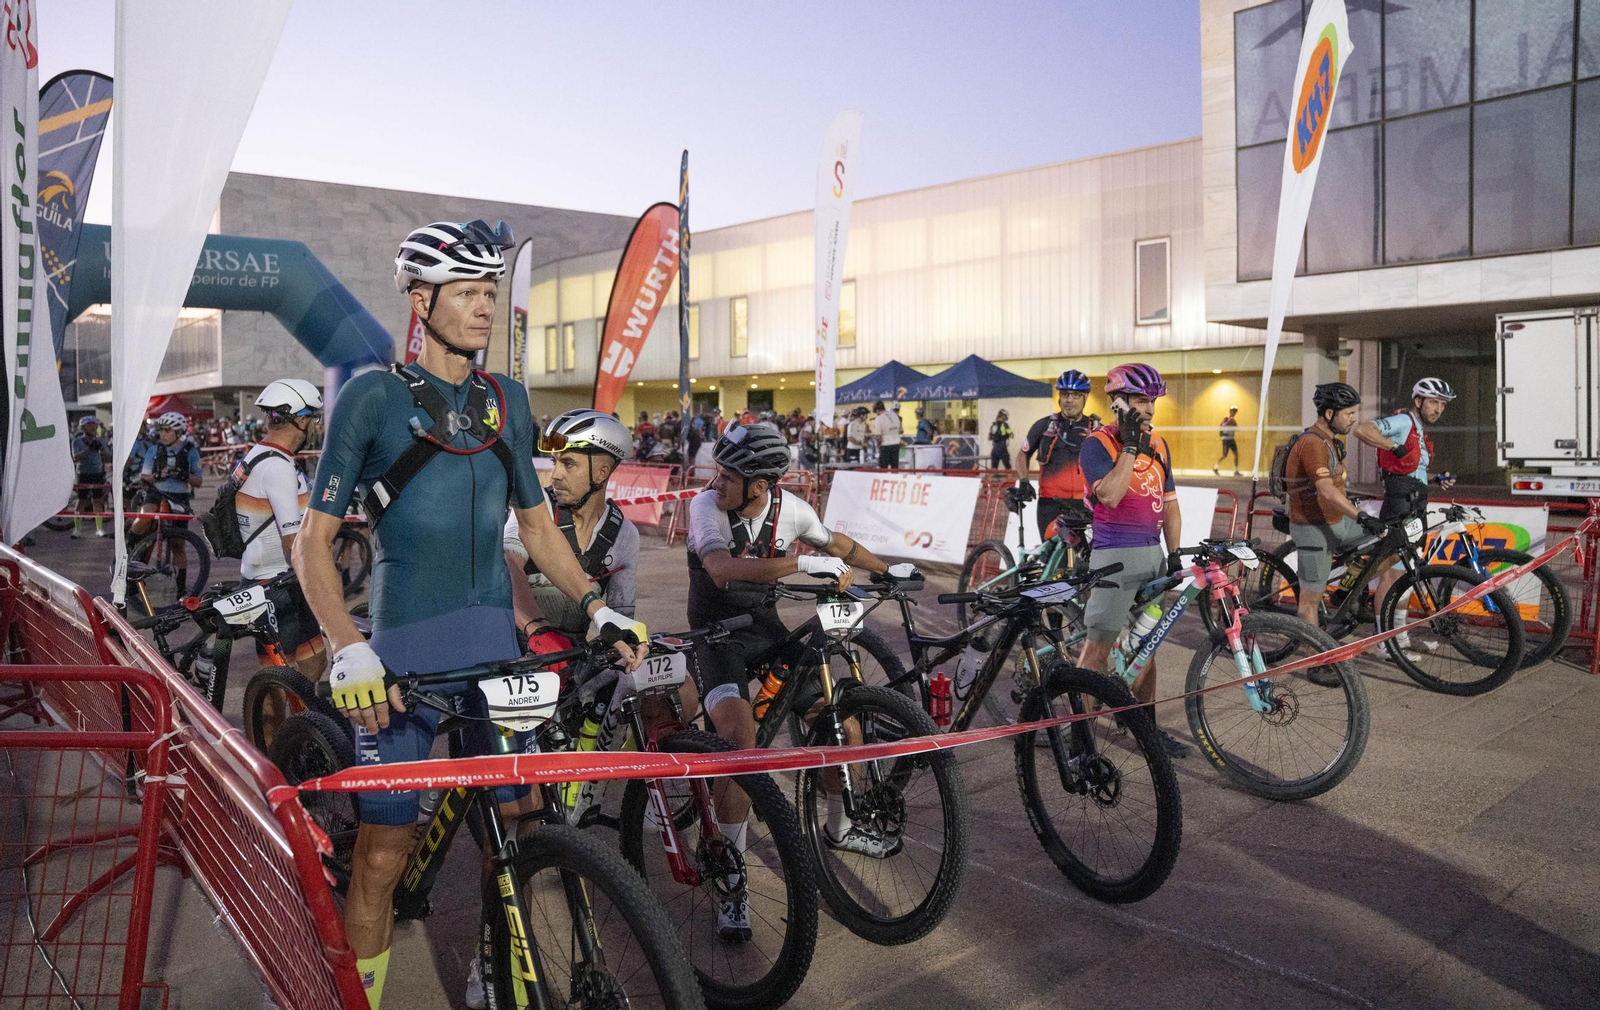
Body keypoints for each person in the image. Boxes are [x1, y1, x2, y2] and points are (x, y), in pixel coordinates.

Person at [294, 219, 645, 1010]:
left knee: (519, 827)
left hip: (495, 658)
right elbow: (312, 543)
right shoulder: (372, 398)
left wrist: (597, 610)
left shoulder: (507, 401)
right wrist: (347, 646)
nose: (486, 306)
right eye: (468, 292)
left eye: (492, 291)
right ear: (421, 301)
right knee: (382, 855)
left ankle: (495, 961)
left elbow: (538, 529)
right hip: (399, 665)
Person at [686, 423, 916, 937]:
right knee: (740, 742)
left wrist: (886, 571)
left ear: (760, 486)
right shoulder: (705, 508)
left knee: (842, 724)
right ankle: (732, 876)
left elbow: (839, 544)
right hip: (716, 636)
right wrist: (803, 562)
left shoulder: (790, 509)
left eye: (728, 476)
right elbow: (720, 569)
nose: (716, 483)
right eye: (717, 473)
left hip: (764, 630)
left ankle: (840, 826)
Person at [1075, 363, 1190, 758]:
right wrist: (1128, 446)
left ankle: (1146, 733)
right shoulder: (1097, 444)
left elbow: (1170, 505)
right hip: (1114, 557)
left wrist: (1174, 554)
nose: (1150, 409)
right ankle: (1080, 740)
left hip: (1152, 555)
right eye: (1142, 400)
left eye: (1153, 401)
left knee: (1146, 648)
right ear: (1119, 402)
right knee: (1097, 650)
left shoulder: (1159, 444)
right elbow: (1109, 495)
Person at [504, 409, 638, 645]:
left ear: (601, 473)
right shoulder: (538, 509)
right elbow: (507, 568)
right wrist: (538, 631)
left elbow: (622, 617)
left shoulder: (624, 535)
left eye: (568, 464)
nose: (555, 475)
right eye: (554, 462)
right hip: (516, 649)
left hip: (573, 657)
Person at [1351, 376, 1458, 658]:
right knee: (1391, 574)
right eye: (1434, 402)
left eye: (1443, 405)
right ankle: (1385, 643)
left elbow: (1411, 469)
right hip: (1399, 504)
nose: (1438, 409)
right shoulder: (1404, 422)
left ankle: (1399, 636)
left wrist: (1435, 479)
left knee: (1406, 572)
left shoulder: (1418, 430)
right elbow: (1362, 430)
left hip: (1414, 502)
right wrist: (1393, 446)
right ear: (1418, 401)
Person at [1284, 384, 1384, 683]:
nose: (1354, 419)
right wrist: (1361, 515)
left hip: (1336, 522)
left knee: (1388, 545)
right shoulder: (1313, 443)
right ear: (1329, 413)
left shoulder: (1329, 441)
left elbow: (1336, 486)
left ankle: (1346, 592)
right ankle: (1315, 663)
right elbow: (1326, 490)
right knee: (1309, 600)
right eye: (1349, 413)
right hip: (1313, 528)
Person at [233, 378, 329, 677]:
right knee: (278, 681)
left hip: (281, 581)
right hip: (274, 587)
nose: (316, 426)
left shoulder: (260, 455)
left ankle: (300, 709)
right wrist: (321, 586)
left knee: (315, 661)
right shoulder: (277, 467)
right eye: (313, 418)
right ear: (300, 419)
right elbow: (292, 542)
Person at [1014, 370, 1099, 540]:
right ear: (1059, 397)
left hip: (1086, 504)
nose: (1069, 400)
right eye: (1065, 394)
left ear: (1085, 398)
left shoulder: (1097, 429)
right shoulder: (1044, 426)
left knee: (1086, 554)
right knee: (1051, 552)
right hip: (1050, 505)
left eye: (1075, 395)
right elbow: (1022, 455)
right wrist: (1023, 480)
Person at [137, 411, 202, 535]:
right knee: (142, 521)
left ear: (179, 432)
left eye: (167, 431)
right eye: (161, 430)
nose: (162, 434)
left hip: (180, 497)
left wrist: (183, 475)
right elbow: (144, 477)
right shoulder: (153, 450)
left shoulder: (192, 452)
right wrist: (157, 475)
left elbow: (198, 482)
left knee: (178, 542)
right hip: (156, 494)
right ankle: (129, 543)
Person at [70, 416, 112, 539]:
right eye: (89, 425)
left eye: (94, 424)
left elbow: (108, 458)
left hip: (97, 473)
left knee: (97, 500)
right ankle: (77, 529)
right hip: (83, 473)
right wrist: (88, 449)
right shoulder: (76, 441)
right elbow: (75, 458)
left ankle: (99, 529)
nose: (93, 427)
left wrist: (101, 449)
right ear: (83, 427)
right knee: (81, 500)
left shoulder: (101, 440)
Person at [872, 400, 902, 468]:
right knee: (895, 467)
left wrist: (878, 445)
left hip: (885, 445)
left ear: (877, 410)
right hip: (896, 444)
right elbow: (900, 430)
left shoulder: (878, 418)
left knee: (884, 468)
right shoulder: (894, 415)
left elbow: (878, 436)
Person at [1214, 405, 1240, 476]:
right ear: (1230, 411)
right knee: (1224, 455)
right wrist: (1229, 421)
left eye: (1235, 412)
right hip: (1226, 439)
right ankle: (1215, 467)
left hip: (1231, 438)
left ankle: (1235, 470)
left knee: (1236, 454)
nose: (1234, 413)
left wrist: (1234, 425)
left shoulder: (1233, 420)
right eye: (1233, 411)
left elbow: (1236, 429)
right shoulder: (1226, 418)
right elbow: (1223, 426)